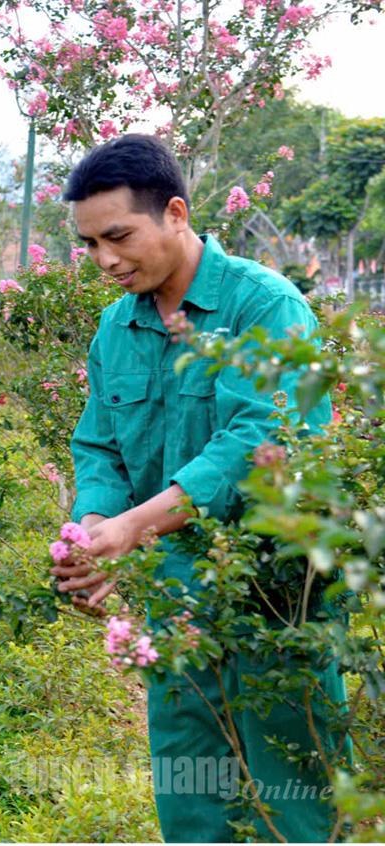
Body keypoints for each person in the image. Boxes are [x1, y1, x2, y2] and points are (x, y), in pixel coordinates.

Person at [54, 134, 345, 842]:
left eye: (118, 237)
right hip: (173, 599)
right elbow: (99, 446)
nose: (106, 261)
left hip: (277, 591)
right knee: (192, 797)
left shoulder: (264, 307)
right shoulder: (116, 327)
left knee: (294, 792)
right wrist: (95, 532)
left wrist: (134, 528)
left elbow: (255, 444)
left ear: (176, 213)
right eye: (90, 245)